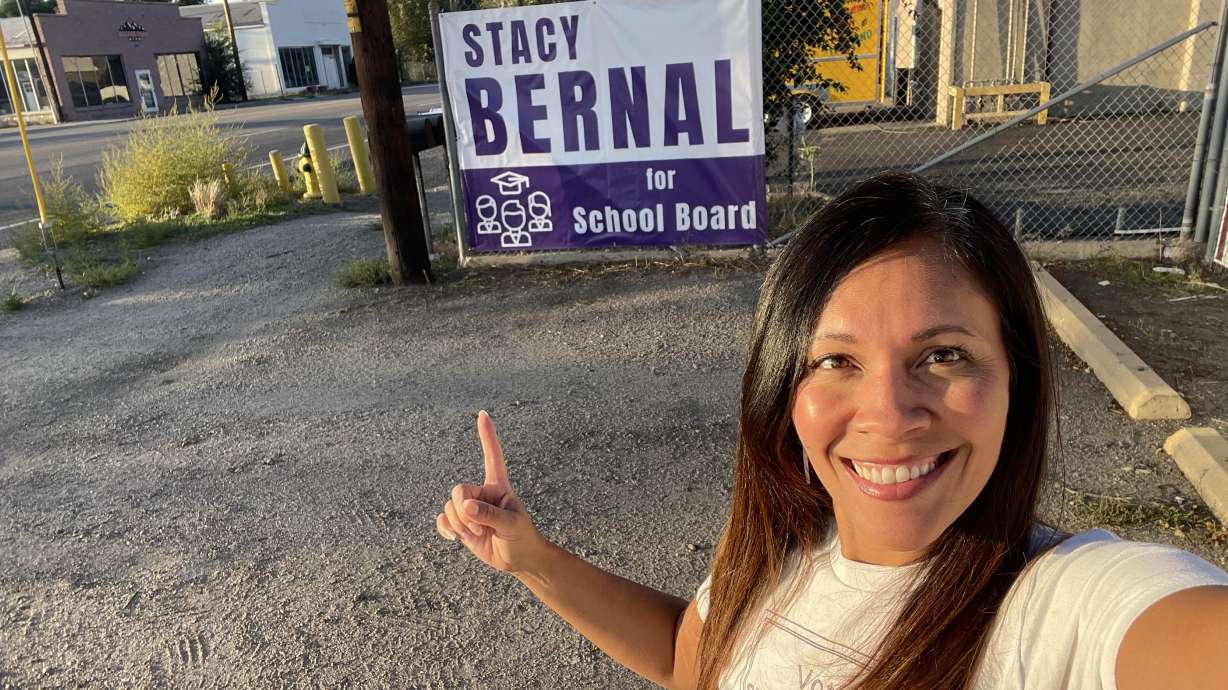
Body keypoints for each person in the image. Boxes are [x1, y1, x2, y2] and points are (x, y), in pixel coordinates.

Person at [434, 172, 1228, 689]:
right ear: (785, 390)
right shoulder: (779, 556)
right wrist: (533, 561)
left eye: (944, 355)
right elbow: (694, 655)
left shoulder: (1061, 608)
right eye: (836, 361)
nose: (888, 413)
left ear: (1014, 379)